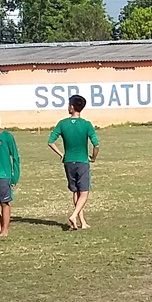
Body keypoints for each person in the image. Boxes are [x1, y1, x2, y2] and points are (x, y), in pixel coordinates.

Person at [47, 95, 100, 230]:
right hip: (82, 161)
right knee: (84, 192)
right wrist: (93, 158)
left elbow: (50, 142)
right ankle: (74, 215)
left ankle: (81, 221)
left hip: (69, 162)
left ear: (71, 107)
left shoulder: (62, 123)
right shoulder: (87, 124)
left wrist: (61, 154)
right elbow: (96, 145)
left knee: (75, 191)